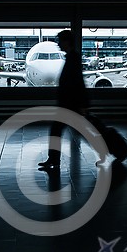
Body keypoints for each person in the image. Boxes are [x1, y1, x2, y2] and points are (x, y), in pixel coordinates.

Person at [38, 30, 89, 170]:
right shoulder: (71, 57)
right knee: (61, 131)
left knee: (57, 131)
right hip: (68, 104)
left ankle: (54, 160)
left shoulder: (73, 57)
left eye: (60, 41)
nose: (59, 44)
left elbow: (78, 82)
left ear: (67, 42)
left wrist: (82, 104)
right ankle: (53, 160)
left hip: (71, 104)